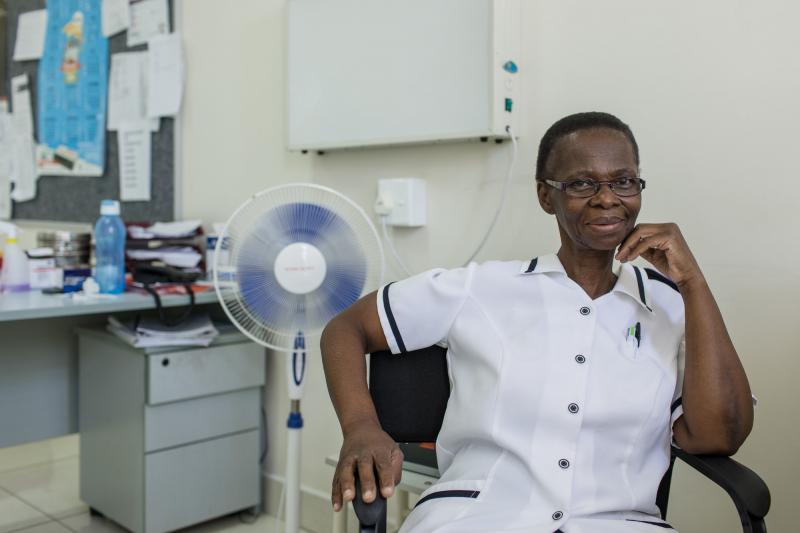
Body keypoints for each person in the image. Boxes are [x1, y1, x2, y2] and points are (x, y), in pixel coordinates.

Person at [320, 112, 754, 532]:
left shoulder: (672, 306)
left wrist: (693, 283)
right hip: (479, 517)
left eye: (623, 181)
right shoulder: (480, 288)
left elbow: (719, 436)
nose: (607, 198)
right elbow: (345, 329)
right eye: (582, 183)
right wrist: (360, 427)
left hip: (618, 523)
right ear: (547, 196)